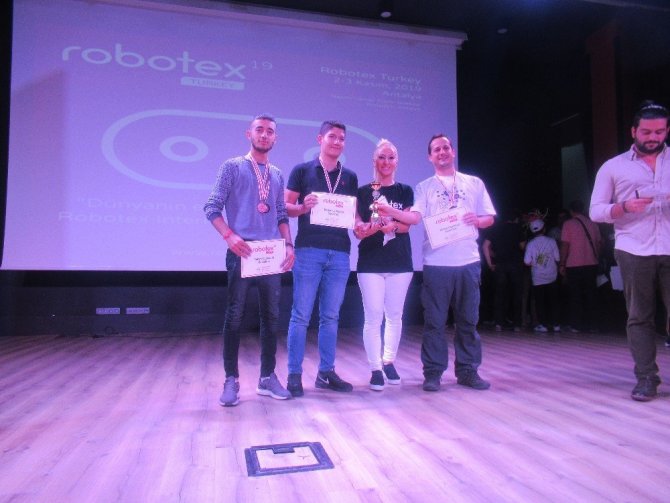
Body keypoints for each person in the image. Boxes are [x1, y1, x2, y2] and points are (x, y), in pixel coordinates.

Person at [377, 133, 496, 392]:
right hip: (436, 264)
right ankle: (433, 373)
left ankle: (468, 371)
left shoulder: (473, 183)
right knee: (434, 323)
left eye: (445, 148)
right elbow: (414, 217)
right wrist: (390, 211)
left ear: (452, 152)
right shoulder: (423, 187)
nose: (442, 152)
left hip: (468, 262)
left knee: (468, 321)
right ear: (430, 157)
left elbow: (489, 217)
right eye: (436, 150)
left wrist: (478, 220)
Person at [203, 114, 295, 407]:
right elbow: (211, 207)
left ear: (276, 138)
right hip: (241, 252)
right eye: (260, 130)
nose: (264, 135)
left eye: (270, 132)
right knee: (234, 316)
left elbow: (281, 214)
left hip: (270, 255)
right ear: (249, 134)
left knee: (271, 318)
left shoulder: (277, 174)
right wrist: (229, 236)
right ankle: (231, 379)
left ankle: (267, 377)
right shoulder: (232, 167)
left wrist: (289, 245)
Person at [590, 100, 670, 402]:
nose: (653, 137)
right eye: (647, 132)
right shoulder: (613, 167)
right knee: (640, 316)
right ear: (633, 131)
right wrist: (623, 207)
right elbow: (596, 211)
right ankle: (647, 378)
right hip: (634, 248)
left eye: (659, 132)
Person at [283, 120, 359, 396]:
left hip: (339, 253)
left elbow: (353, 215)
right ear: (320, 139)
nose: (337, 142)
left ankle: (326, 373)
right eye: (332, 136)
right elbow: (284, 207)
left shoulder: (350, 176)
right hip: (309, 251)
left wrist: (362, 225)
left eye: (342, 138)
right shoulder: (302, 170)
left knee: (331, 316)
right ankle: (294, 374)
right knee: (301, 315)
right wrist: (302, 207)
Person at [354, 139, 414, 391]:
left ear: (396, 161)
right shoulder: (363, 192)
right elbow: (358, 230)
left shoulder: (405, 191)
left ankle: (389, 361)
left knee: (395, 316)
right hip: (370, 262)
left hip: (400, 262)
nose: (386, 162)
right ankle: (375, 368)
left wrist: (391, 221)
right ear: (374, 161)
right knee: (373, 316)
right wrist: (375, 227)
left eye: (391, 157)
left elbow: (408, 224)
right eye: (381, 157)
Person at [559, 200, 602, 332]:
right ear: (583, 209)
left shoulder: (568, 224)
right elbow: (600, 243)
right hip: (591, 263)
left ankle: (576, 325)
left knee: (575, 296)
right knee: (591, 295)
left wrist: (562, 263)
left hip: (573, 264)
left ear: (571, 211)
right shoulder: (593, 224)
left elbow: (565, 245)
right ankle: (593, 324)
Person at [482, 208, 526, 332]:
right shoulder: (517, 228)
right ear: (515, 219)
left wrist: (490, 263)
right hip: (515, 264)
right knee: (517, 294)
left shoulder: (495, 228)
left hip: (500, 264)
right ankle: (517, 323)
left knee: (499, 294)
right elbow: (522, 246)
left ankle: (499, 323)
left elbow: (485, 246)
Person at [524, 219, 561, 333]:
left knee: (540, 302)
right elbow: (557, 258)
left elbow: (526, 261)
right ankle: (556, 324)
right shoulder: (552, 241)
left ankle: (543, 325)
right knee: (553, 300)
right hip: (552, 275)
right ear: (544, 229)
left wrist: (536, 262)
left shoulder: (530, 244)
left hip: (537, 277)